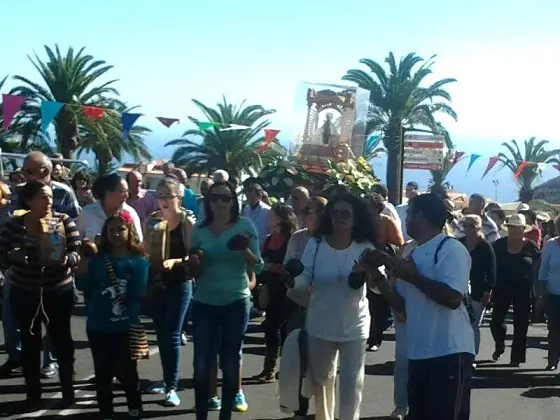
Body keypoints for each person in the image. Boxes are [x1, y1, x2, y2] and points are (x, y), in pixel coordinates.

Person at [363, 193, 474, 420]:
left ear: (421, 217)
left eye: (409, 214)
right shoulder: (412, 252)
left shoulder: (450, 249)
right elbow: (401, 305)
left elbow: (453, 298)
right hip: (419, 354)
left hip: (449, 354)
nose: (405, 220)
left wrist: (413, 278)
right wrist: (377, 275)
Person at [291, 193, 376, 420]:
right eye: (335, 213)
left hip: (355, 325)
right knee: (321, 378)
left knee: (351, 383)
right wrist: (291, 281)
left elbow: (378, 285)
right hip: (320, 324)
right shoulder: (315, 244)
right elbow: (305, 277)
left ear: (356, 219)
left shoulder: (365, 247)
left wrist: (369, 273)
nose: (340, 217)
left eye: (345, 213)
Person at [0, 181, 81, 411]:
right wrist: (10, 257)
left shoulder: (63, 221)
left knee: (62, 339)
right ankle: (33, 393)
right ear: (28, 201)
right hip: (26, 291)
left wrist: (67, 260)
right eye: (42, 197)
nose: (49, 202)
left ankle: (68, 390)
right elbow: (2, 255)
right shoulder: (14, 226)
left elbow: (76, 250)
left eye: (50, 197)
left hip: (57, 290)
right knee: (30, 341)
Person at [190, 181, 263, 420]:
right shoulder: (199, 229)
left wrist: (244, 250)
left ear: (233, 201)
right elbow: (193, 271)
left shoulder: (245, 225)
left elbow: (259, 266)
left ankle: (225, 416)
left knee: (230, 362)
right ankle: (201, 414)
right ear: (208, 202)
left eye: (225, 198)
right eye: (215, 198)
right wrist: (194, 263)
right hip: (204, 301)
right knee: (201, 362)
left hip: (235, 300)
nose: (220, 203)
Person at [75, 211, 148, 419]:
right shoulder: (98, 260)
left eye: (121, 229)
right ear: (105, 233)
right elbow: (82, 284)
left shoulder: (138, 261)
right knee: (103, 372)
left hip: (126, 326)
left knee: (128, 372)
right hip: (99, 325)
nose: (116, 233)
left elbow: (138, 292)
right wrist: (85, 257)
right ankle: (106, 412)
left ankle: (135, 407)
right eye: (112, 230)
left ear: (130, 230)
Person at [145, 177, 195, 407]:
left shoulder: (187, 221)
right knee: (161, 335)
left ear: (179, 197)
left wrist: (176, 261)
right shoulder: (152, 221)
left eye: (168, 196)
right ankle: (166, 381)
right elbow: (144, 251)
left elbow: (193, 255)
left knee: (173, 335)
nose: (163, 200)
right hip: (156, 283)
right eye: (160, 195)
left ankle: (172, 388)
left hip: (179, 282)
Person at [283, 196, 327, 420]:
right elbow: (287, 267)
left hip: (326, 312)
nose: (302, 214)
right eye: (302, 210)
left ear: (322, 215)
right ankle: (299, 410)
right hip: (298, 307)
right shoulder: (297, 238)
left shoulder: (331, 241)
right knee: (296, 359)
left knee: (320, 367)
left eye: (308, 210)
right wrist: (290, 277)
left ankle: (322, 411)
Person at [254, 204, 297, 382]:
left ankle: (280, 367)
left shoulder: (290, 239)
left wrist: (273, 267)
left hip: (284, 289)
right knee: (271, 328)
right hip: (269, 288)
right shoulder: (270, 238)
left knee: (280, 328)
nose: (268, 217)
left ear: (280, 218)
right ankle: (269, 368)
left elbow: (291, 264)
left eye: (271, 214)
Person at [490, 214, 540, 366]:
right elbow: (491, 266)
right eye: (513, 228)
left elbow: (538, 266)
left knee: (521, 323)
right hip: (501, 288)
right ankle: (500, 343)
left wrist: (537, 288)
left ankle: (516, 358)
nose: (516, 231)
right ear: (509, 229)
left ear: (524, 230)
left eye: (519, 228)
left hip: (523, 290)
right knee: (496, 322)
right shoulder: (498, 245)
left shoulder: (530, 246)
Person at [364, 193, 403, 352]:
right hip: (363, 264)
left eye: (368, 205)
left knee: (377, 305)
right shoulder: (359, 223)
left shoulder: (387, 222)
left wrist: (381, 250)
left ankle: (375, 339)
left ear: (377, 208)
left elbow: (399, 246)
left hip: (381, 268)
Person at [459, 215, 496, 359]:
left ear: (478, 227)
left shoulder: (485, 246)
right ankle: (461, 353)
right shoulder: (460, 244)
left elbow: (492, 271)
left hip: (478, 291)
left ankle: (471, 355)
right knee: (461, 325)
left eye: (471, 226)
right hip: (460, 289)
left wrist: (488, 292)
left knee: (473, 325)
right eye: (465, 225)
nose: (468, 229)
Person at [76, 174, 143, 242]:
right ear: (108, 192)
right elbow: (77, 239)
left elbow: (138, 241)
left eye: (127, 191)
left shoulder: (130, 213)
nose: (127, 195)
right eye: (123, 191)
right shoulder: (87, 212)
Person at [537, 214, 560, 370]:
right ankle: (552, 360)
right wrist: (541, 293)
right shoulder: (551, 245)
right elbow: (543, 269)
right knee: (554, 330)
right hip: (553, 294)